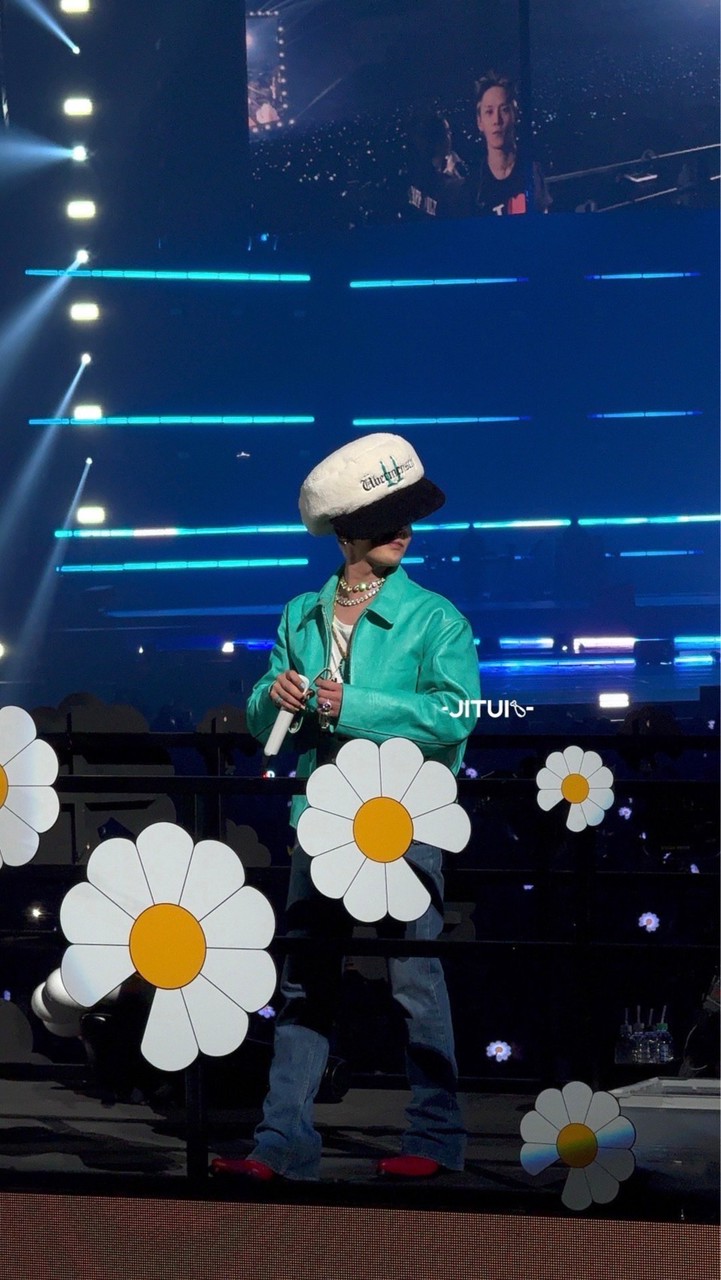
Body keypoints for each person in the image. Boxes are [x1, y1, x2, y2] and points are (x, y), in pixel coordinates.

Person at [211, 433, 480, 1182]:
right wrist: (276, 696)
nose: (405, 530)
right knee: (305, 982)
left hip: (404, 820)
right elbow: (263, 721)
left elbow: (457, 715)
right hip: (321, 821)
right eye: (388, 518)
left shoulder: (436, 618)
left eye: (408, 515)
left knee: (415, 978)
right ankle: (281, 1145)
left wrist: (352, 704)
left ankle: (436, 1140)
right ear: (345, 531)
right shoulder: (300, 614)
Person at [473, 72, 550, 216]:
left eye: (504, 110)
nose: (497, 120)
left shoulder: (532, 170)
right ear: (480, 122)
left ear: (515, 114)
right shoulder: (474, 185)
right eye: (489, 112)